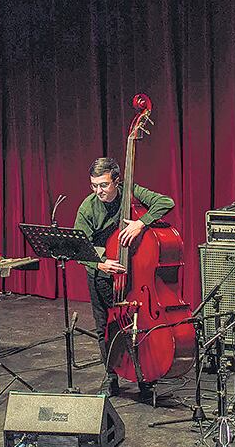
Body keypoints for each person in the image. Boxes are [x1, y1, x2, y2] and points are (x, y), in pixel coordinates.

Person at [73, 157, 175, 401]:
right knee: (105, 327)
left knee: (139, 325)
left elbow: (166, 202)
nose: (98, 191)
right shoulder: (88, 208)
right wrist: (100, 263)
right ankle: (111, 376)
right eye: (94, 185)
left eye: (104, 185)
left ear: (117, 181)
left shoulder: (131, 191)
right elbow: (79, 248)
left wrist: (141, 223)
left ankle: (146, 377)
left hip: (133, 275)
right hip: (101, 274)